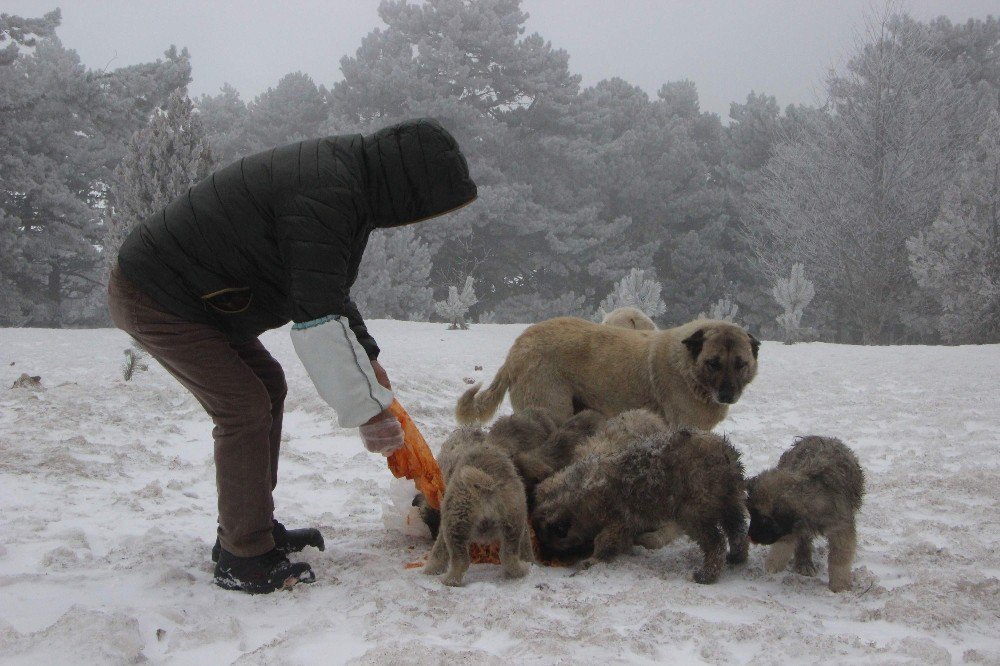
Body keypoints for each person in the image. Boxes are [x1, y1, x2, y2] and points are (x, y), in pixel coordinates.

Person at [107, 118, 477, 594]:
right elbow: (318, 320)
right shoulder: (329, 191)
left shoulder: (345, 184)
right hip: (158, 293)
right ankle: (243, 556)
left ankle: (250, 529)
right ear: (407, 185)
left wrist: (370, 359)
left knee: (267, 385)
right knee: (243, 405)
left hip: (197, 298)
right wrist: (367, 410)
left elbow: (328, 288)